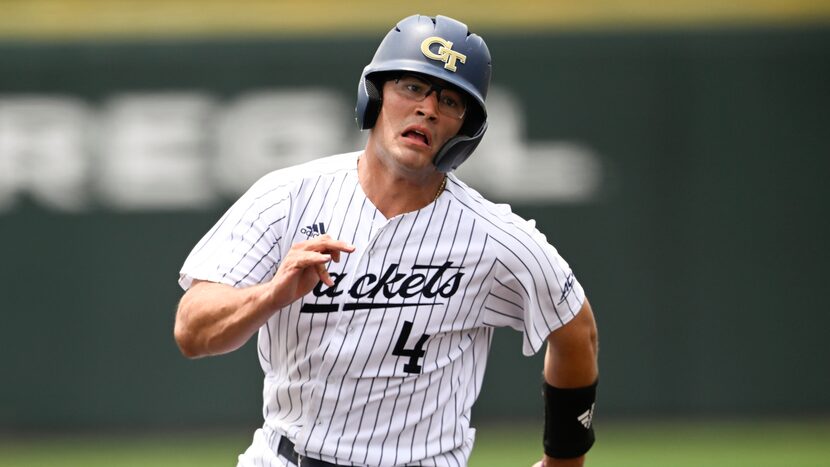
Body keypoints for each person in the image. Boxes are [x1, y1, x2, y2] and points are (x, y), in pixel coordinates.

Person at [174, 14, 598, 467]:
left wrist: (564, 461)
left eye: (451, 101)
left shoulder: (493, 238)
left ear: (465, 129)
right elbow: (192, 331)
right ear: (375, 95)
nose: (428, 109)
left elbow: (577, 332)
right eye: (413, 87)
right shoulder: (287, 197)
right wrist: (269, 296)